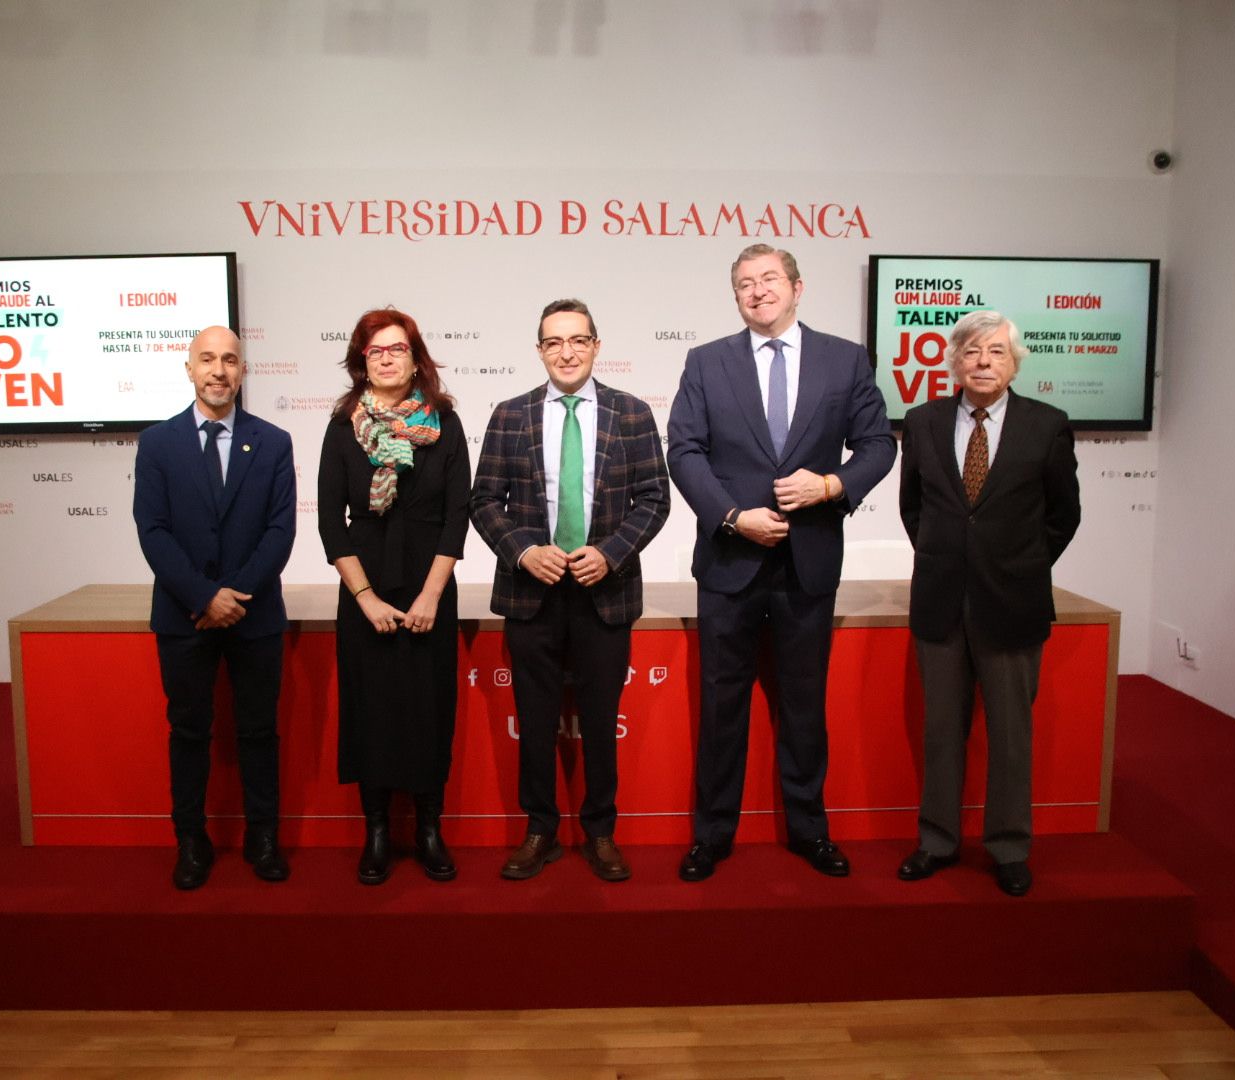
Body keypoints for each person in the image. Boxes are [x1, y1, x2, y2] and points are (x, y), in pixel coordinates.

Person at [666, 244, 896, 882]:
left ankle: (809, 831)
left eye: (770, 279)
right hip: (729, 563)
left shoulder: (844, 359)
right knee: (722, 707)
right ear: (735, 295)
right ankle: (712, 835)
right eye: (745, 283)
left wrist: (830, 486)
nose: (758, 290)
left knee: (803, 707)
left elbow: (877, 444)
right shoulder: (706, 362)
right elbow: (684, 451)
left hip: (808, 563)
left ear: (798, 287)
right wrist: (734, 517)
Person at [471, 299, 670, 881]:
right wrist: (523, 551)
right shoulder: (510, 415)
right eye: (554, 342)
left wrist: (609, 555)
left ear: (596, 347)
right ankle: (539, 832)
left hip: (604, 594)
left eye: (578, 340)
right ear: (539, 350)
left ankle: (601, 832)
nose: (566, 352)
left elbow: (655, 498)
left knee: (601, 721)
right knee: (533, 721)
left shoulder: (631, 414)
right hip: (531, 594)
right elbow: (483, 501)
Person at [896, 310, 1081, 897]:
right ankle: (936, 841)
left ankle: (1008, 847)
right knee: (941, 731)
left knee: (1010, 733)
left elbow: (1063, 515)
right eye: (972, 351)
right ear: (953, 360)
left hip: (1013, 603)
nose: (983, 362)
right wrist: (948, 559)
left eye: (996, 352)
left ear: (1014, 362)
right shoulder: (923, 422)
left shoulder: (1046, 425)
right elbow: (913, 509)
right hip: (941, 602)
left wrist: (1019, 567)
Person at [134, 325, 296, 890]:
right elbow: (151, 530)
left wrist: (233, 598)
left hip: (254, 615)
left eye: (230, 359)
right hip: (184, 615)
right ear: (189, 368)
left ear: (243, 369)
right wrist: (204, 597)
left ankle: (263, 836)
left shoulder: (274, 442)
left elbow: (280, 532)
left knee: (258, 731)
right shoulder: (157, 443)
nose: (219, 370)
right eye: (208, 359)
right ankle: (191, 840)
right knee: (188, 731)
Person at [317, 308, 470, 885]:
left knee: (430, 712)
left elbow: (457, 517)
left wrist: (431, 595)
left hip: (431, 586)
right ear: (361, 361)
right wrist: (365, 598)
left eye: (396, 348)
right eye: (374, 350)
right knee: (371, 712)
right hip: (366, 591)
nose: (385, 358)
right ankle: (377, 830)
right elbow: (332, 521)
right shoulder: (342, 426)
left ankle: (429, 828)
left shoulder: (445, 423)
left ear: (415, 357)